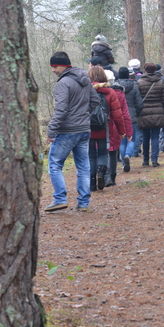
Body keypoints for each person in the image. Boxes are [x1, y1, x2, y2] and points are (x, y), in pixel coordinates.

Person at [46, 51, 100, 212]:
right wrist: (83, 115)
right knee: (83, 166)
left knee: (54, 164)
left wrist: (51, 131)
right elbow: (95, 101)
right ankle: (83, 203)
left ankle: (60, 199)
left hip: (67, 131)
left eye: (55, 66)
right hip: (84, 129)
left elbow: (61, 110)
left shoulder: (63, 84)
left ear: (64, 65)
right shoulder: (84, 80)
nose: (53, 70)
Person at [88, 65, 128, 191]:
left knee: (91, 155)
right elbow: (117, 114)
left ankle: (92, 182)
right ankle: (101, 172)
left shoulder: (85, 91)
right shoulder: (110, 92)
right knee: (103, 153)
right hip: (105, 128)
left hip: (88, 128)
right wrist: (122, 132)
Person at [134, 62, 164, 167]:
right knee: (155, 136)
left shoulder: (139, 83)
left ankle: (145, 160)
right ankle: (154, 159)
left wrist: (136, 112)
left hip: (144, 113)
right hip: (158, 113)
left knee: (145, 137)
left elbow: (137, 100)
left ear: (145, 70)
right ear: (155, 70)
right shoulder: (160, 82)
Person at [117, 66, 144, 171]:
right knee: (131, 139)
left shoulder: (115, 87)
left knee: (122, 141)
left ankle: (124, 163)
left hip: (118, 116)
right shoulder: (134, 87)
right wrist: (136, 114)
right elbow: (140, 104)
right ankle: (128, 155)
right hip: (131, 116)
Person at [106, 80, 132, 186]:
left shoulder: (93, 91)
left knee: (100, 152)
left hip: (98, 126)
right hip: (116, 126)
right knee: (113, 152)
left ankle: (101, 175)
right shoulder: (120, 94)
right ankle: (112, 177)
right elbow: (124, 114)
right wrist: (128, 131)